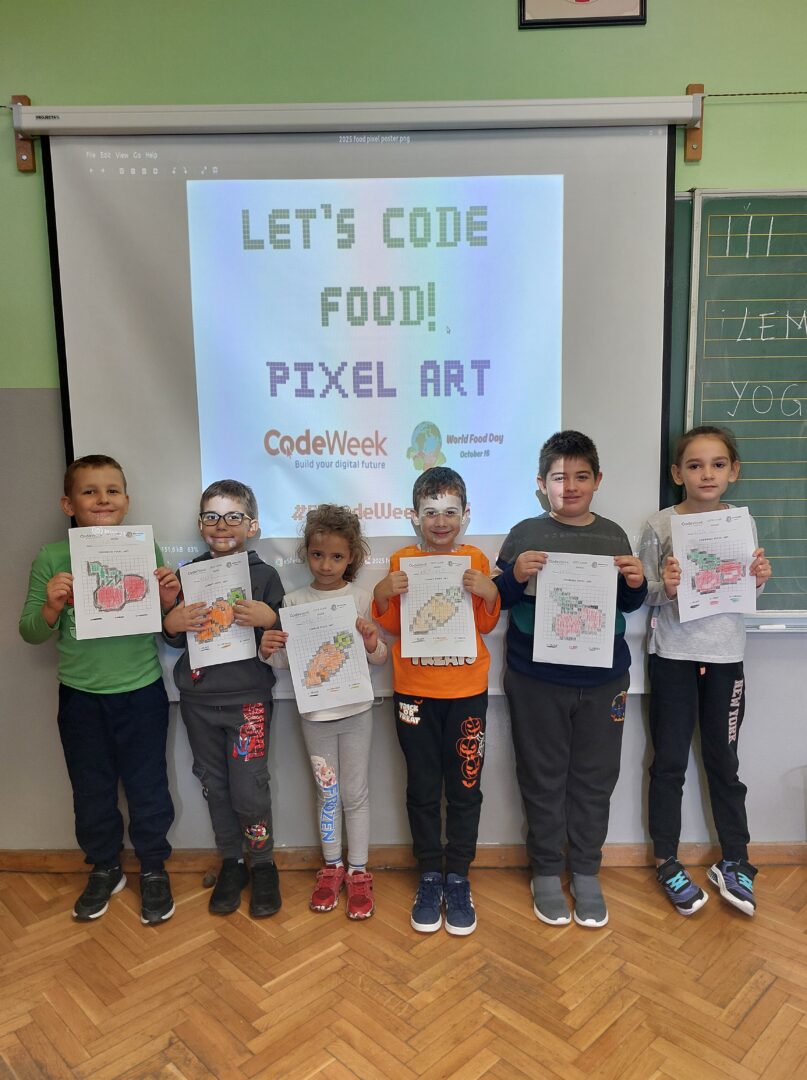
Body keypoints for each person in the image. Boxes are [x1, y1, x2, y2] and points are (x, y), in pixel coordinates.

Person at [494, 431, 647, 929]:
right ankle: (544, 870)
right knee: (541, 777)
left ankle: (585, 870)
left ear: (598, 480)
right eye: (560, 478)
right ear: (542, 484)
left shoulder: (614, 535)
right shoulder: (523, 533)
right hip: (536, 678)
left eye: (582, 476)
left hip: (603, 680)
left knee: (595, 779)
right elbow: (499, 599)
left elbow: (626, 604)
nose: (571, 486)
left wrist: (637, 583)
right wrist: (514, 575)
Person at [18, 454, 180, 924]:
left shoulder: (145, 550)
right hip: (81, 697)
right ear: (68, 504)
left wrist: (168, 600)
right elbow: (30, 632)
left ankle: (153, 868)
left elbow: (162, 622)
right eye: (89, 491)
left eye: (112, 490)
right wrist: (51, 606)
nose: (102, 499)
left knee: (148, 786)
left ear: (126, 500)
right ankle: (106, 866)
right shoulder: (52, 557)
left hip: (142, 691)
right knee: (91, 789)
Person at [638, 425, 772, 917]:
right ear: (678, 473)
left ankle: (735, 859)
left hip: (725, 657)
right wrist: (666, 586)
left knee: (724, 762)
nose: (706, 474)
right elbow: (644, 592)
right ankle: (666, 860)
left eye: (717, 464)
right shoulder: (660, 524)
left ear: (733, 471)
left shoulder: (741, 522)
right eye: (695, 465)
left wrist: (759, 579)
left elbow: (746, 592)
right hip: (673, 655)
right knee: (669, 763)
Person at [372, 467, 500, 936]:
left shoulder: (476, 558)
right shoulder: (402, 560)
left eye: (450, 512)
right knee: (422, 787)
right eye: (430, 512)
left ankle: (458, 876)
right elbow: (391, 625)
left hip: (467, 693)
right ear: (414, 517)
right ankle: (429, 874)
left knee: (465, 786)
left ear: (465, 515)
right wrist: (381, 594)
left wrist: (490, 592)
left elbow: (485, 624)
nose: (440, 521)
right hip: (414, 693)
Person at [163, 480, 284, 918]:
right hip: (198, 702)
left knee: (250, 790)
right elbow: (174, 638)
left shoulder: (265, 576)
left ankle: (263, 863)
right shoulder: (187, 576)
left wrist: (270, 617)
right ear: (200, 525)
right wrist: (172, 623)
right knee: (214, 785)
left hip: (248, 700)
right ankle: (232, 862)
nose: (221, 525)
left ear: (252, 526)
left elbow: (283, 637)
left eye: (233, 516)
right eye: (211, 517)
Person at [259, 505, 387, 920]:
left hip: (356, 712)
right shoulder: (293, 601)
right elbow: (286, 663)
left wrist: (371, 642)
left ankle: (358, 871)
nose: (326, 565)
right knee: (327, 793)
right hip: (315, 716)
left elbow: (380, 659)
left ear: (351, 558)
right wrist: (267, 650)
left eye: (336, 556)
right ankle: (332, 867)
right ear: (306, 554)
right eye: (318, 555)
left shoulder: (360, 599)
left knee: (355, 793)